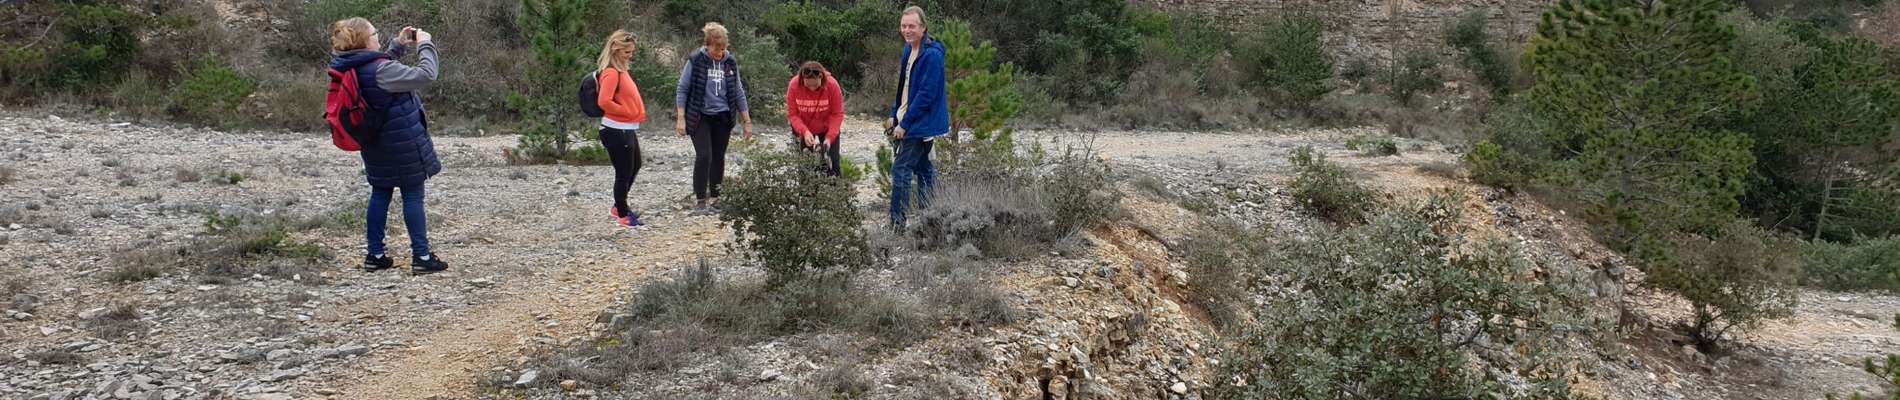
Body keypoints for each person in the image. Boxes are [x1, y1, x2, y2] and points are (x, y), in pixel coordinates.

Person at [328, 18, 448, 274]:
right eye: (374, 33)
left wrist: (398, 45)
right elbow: (426, 74)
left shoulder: (350, 65)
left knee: (380, 192)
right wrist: (425, 45)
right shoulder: (382, 71)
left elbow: (376, 70)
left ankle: (375, 255)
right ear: (364, 40)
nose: (378, 37)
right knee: (412, 195)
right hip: (401, 142)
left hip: (375, 143)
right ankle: (422, 257)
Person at [674, 22, 753, 214]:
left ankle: (716, 198)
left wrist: (747, 121)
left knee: (718, 156)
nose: (720, 52)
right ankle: (701, 200)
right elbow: (682, 89)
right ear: (707, 45)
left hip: (723, 116)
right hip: (699, 116)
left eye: (723, 48)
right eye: (716, 49)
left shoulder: (730, 62)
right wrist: (681, 118)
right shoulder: (696, 60)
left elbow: (738, 91)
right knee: (704, 155)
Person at [886, 6, 949, 229]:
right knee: (924, 169)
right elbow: (904, 87)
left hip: (919, 123)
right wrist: (894, 113)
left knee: (901, 170)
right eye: (904, 26)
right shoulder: (908, 49)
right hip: (908, 118)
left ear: (923, 28)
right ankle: (929, 220)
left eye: (912, 26)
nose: (907, 30)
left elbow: (926, 95)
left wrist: (905, 123)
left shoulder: (932, 55)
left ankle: (897, 225)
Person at [596, 30, 649, 228]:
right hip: (615, 129)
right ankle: (622, 214)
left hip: (626, 128)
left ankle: (619, 206)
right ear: (616, 50)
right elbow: (604, 101)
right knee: (623, 172)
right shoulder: (611, 73)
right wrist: (627, 111)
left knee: (635, 166)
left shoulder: (622, 71)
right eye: (627, 52)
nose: (630, 55)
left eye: (632, 51)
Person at [785, 61, 845, 176]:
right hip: (803, 127)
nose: (812, 89)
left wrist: (829, 138)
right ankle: (806, 188)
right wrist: (804, 132)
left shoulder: (832, 85)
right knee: (804, 166)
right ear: (802, 80)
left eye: (816, 86)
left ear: (821, 77)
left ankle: (834, 187)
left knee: (833, 164)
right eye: (808, 86)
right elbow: (793, 114)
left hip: (827, 127)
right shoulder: (794, 85)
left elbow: (837, 114)